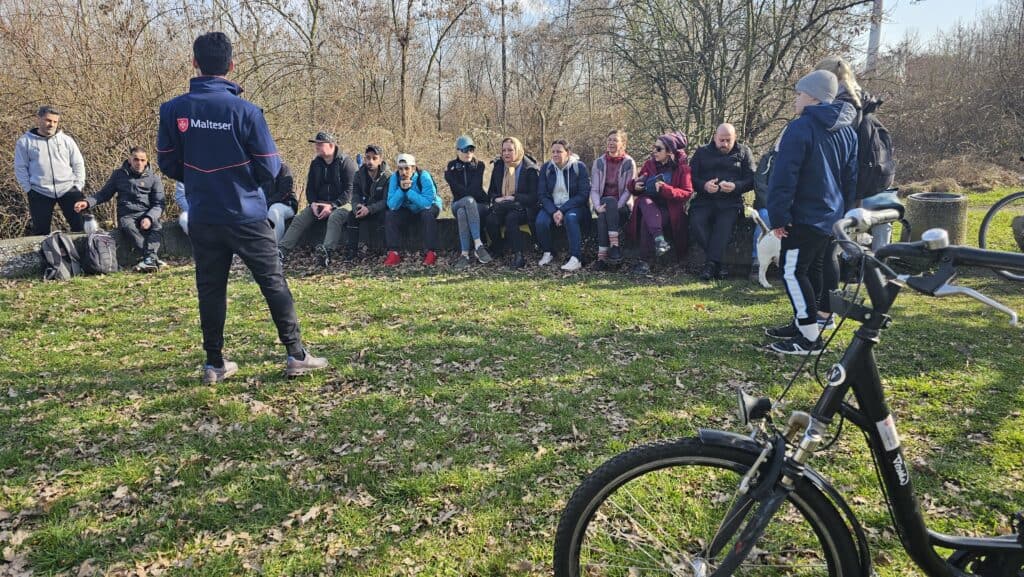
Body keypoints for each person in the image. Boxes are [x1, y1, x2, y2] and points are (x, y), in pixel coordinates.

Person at [157, 31, 328, 383]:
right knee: (273, 283)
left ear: (194, 62)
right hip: (247, 213)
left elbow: (169, 164)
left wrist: (201, 178)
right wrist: (242, 181)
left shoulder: (173, 110)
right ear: (232, 65)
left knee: (210, 288)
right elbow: (270, 166)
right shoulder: (246, 111)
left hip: (204, 213)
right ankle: (296, 355)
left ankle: (214, 364)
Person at [765, 69, 858, 356]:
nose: (796, 99)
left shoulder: (800, 127)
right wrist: (843, 214)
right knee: (811, 269)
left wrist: (779, 216)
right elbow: (851, 178)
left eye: (799, 93)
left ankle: (809, 338)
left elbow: (784, 175)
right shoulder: (847, 132)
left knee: (792, 271)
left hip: (804, 216)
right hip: (832, 216)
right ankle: (803, 322)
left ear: (814, 97)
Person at [73, 146, 165, 271]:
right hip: (127, 214)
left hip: (146, 212)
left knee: (157, 226)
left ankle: (149, 259)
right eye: (136, 160)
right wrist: (87, 202)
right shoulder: (119, 175)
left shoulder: (154, 178)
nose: (139, 163)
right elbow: (104, 194)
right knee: (129, 229)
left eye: (143, 160)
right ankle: (151, 258)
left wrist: (149, 217)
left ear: (147, 161)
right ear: (129, 160)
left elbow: (159, 204)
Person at [278, 132, 357, 267]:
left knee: (335, 217)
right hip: (319, 203)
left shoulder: (346, 163)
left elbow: (350, 191)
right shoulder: (315, 164)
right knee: (300, 219)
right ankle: (281, 251)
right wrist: (313, 203)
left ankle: (326, 252)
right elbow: (310, 189)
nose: (317, 147)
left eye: (320, 144)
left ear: (331, 145)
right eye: (316, 144)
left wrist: (333, 205)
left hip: (343, 204)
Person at [688, 123, 756, 280]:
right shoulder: (702, 152)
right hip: (704, 200)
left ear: (735, 138)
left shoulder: (744, 152)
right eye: (721, 140)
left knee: (724, 226)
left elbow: (752, 179)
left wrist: (736, 186)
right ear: (714, 137)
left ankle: (711, 264)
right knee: (697, 222)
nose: (724, 144)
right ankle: (719, 263)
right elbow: (690, 178)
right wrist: (704, 185)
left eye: (728, 140)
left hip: (731, 202)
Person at [625, 132, 693, 275]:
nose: (654, 151)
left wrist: (665, 189)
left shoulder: (683, 169)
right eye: (654, 147)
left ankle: (644, 262)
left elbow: (687, 193)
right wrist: (635, 186)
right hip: (649, 206)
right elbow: (635, 182)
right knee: (644, 201)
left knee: (646, 219)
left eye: (659, 149)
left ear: (669, 152)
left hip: (669, 210)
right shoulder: (649, 164)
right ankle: (659, 240)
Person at [14, 106, 87, 235]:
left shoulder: (66, 140)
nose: (51, 124)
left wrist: (78, 185)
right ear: (39, 119)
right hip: (39, 191)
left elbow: (78, 163)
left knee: (81, 228)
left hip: (68, 189)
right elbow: (20, 167)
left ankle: (84, 254)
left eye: (55, 121)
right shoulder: (25, 142)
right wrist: (28, 189)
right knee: (41, 233)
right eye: (48, 120)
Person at [485, 137, 540, 269]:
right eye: (504, 150)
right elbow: (491, 191)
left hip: (522, 207)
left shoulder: (529, 169)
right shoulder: (499, 166)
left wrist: (514, 198)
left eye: (510, 150)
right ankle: (498, 249)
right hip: (502, 205)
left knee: (511, 218)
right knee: (490, 219)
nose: (506, 153)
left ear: (518, 150)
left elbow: (534, 197)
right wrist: (495, 199)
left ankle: (518, 256)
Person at [536, 139, 590, 271]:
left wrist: (563, 210)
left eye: (559, 151)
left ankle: (575, 258)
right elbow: (542, 194)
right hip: (552, 206)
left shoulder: (579, 167)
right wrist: (554, 211)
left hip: (574, 206)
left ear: (568, 153)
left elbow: (583, 195)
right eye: (553, 151)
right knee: (541, 222)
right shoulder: (546, 168)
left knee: (570, 218)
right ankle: (548, 252)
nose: (555, 154)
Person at [590, 129, 637, 271]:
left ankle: (602, 257)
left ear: (623, 144)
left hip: (622, 207)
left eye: (615, 140)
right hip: (602, 205)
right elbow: (595, 189)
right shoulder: (599, 162)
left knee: (609, 206)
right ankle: (614, 247)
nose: (611, 143)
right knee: (605, 208)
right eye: (609, 140)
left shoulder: (629, 163)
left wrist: (616, 206)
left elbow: (629, 189)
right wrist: (597, 206)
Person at [383, 153, 442, 266]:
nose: (403, 172)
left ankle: (431, 252)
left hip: (429, 206)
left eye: (407, 168)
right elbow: (391, 205)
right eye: (400, 169)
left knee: (427, 214)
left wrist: (409, 192)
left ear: (413, 168)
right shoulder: (394, 178)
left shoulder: (424, 177)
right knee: (390, 215)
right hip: (409, 208)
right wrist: (401, 190)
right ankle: (393, 253)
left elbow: (427, 203)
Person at [444, 135, 492, 269]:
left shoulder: (479, 165)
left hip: (479, 205)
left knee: (463, 211)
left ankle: (464, 255)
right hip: (458, 202)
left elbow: (475, 189)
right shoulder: (451, 166)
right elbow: (458, 193)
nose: (468, 153)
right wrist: (453, 181)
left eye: (471, 150)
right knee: (465, 204)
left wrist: (450, 179)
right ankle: (478, 245)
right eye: (465, 150)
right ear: (458, 151)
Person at [345, 144, 391, 261]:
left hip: (379, 209)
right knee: (352, 215)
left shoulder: (388, 177)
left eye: (374, 158)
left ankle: (383, 250)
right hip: (364, 207)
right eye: (367, 158)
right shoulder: (359, 174)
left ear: (380, 160)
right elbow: (355, 194)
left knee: (385, 216)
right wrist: (357, 206)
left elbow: (386, 201)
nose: (370, 161)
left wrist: (370, 209)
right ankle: (352, 251)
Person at [263, 161, 298, 244]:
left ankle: (276, 248)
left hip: (286, 204)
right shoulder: (257, 171)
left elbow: (284, 192)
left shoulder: (283, 168)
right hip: (264, 206)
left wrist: (265, 205)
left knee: (274, 210)